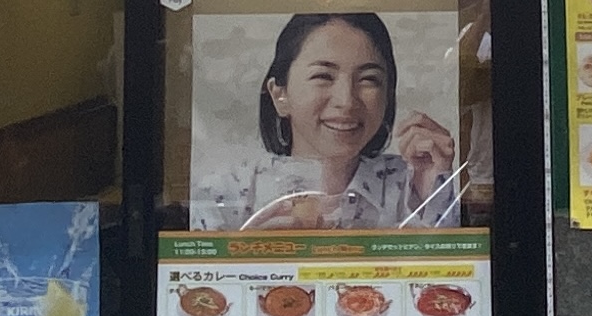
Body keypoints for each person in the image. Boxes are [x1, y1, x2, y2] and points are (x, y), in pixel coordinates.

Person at [191, 12, 458, 230]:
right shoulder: (225, 193)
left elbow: (454, 274)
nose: (347, 100)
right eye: (323, 76)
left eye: (368, 79)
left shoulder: (409, 183)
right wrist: (245, 253)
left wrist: (434, 194)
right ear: (280, 94)